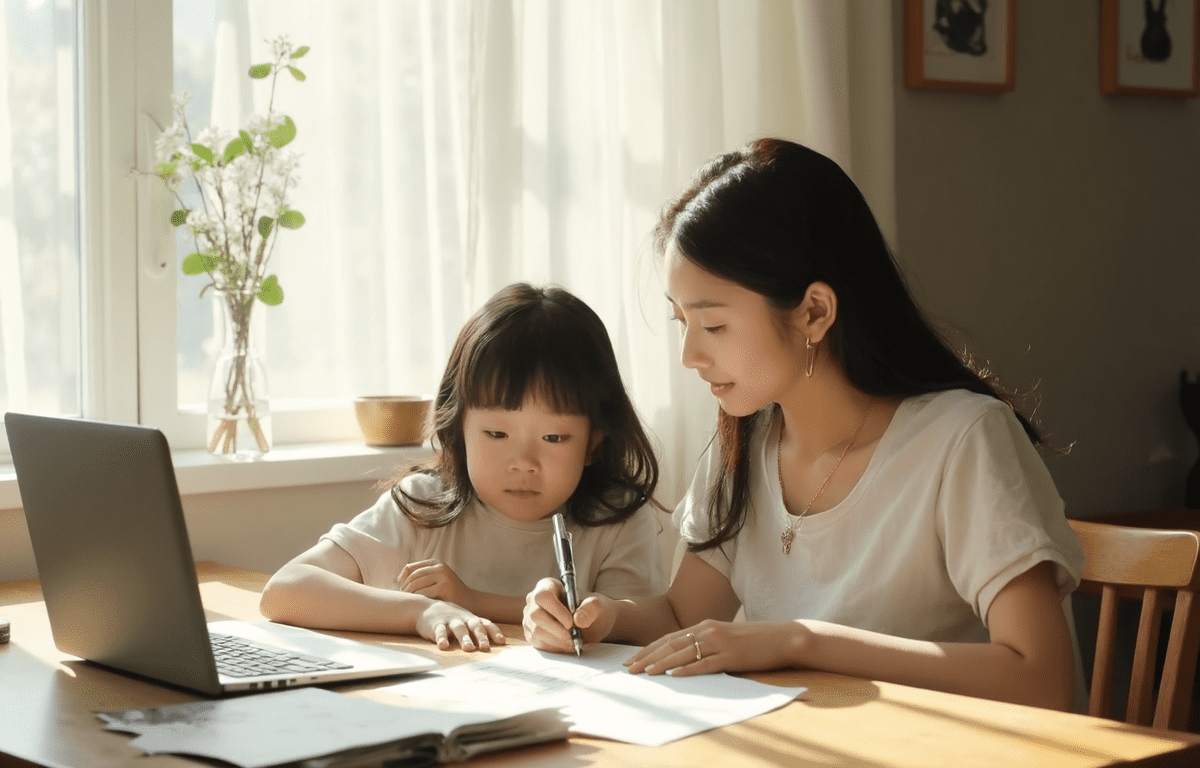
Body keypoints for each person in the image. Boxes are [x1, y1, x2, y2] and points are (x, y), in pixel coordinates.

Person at [523, 138, 1085, 712]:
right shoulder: (743, 443)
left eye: (713, 326)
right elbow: (681, 618)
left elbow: (1040, 677)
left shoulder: (963, 440)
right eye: (680, 322)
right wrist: (596, 615)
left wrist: (803, 640)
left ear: (814, 311)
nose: (689, 355)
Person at [261, 283, 666, 651]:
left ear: (594, 442)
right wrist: (421, 612)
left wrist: (472, 601)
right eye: (496, 435)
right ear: (460, 428)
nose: (523, 463)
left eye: (554, 439)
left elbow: (646, 626)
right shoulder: (425, 504)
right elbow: (286, 590)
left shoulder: (618, 518)